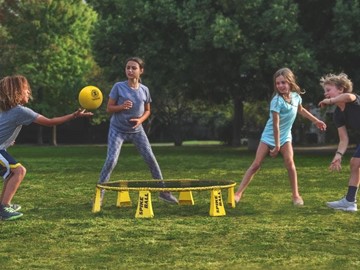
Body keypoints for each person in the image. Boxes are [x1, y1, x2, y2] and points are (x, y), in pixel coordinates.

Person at [0, 75, 93, 221]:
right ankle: (4, 208)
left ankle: (3, 205)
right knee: (19, 171)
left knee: (12, 172)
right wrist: (74, 115)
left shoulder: (6, 110)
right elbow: (50, 122)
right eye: (26, 90)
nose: (28, 93)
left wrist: (7, 141)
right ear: (16, 93)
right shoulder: (20, 111)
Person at [234, 68, 327, 206]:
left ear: (290, 82)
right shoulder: (276, 101)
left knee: (290, 164)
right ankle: (238, 194)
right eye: (277, 83)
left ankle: (296, 196)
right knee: (256, 164)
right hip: (269, 136)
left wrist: (316, 120)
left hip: (285, 136)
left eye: (283, 82)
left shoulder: (296, 97)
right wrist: (276, 145)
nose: (280, 86)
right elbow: (275, 125)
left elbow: (301, 110)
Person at [97, 57, 178, 204]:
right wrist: (121, 107)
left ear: (141, 71)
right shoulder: (118, 87)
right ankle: (99, 193)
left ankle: (163, 192)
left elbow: (147, 111)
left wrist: (140, 120)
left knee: (151, 159)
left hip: (137, 130)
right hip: (118, 129)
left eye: (134, 68)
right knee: (111, 161)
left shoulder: (144, 90)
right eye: (128, 67)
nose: (130, 70)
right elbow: (109, 108)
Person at [318, 73, 359, 212]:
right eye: (325, 91)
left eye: (328, 90)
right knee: (355, 163)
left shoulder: (352, 99)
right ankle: (350, 201)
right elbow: (344, 139)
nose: (326, 94)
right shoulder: (337, 114)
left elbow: (348, 96)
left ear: (341, 89)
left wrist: (328, 101)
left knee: (355, 162)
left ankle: (349, 201)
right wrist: (338, 155)